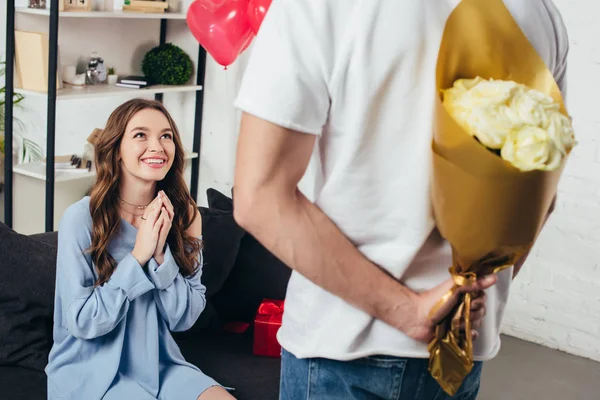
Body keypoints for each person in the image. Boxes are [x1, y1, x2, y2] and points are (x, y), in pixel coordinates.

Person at [232, 0, 568, 399]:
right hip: (461, 350)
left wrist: (408, 311)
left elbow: (260, 197)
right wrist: (472, 288)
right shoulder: (539, 12)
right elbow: (538, 195)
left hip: (341, 348)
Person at [45, 99, 234, 400]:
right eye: (140, 135)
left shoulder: (185, 217)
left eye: (166, 136)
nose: (157, 146)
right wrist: (139, 256)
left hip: (160, 365)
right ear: (117, 149)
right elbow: (81, 320)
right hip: (90, 373)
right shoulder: (80, 218)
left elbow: (183, 318)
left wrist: (161, 256)